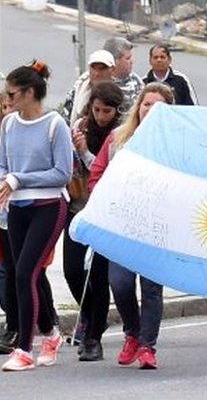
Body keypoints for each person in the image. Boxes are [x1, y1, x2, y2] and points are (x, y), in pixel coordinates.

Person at [89, 82, 175, 370]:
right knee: (120, 283)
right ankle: (132, 333)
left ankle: (148, 346)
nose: (151, 110)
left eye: (159, 106)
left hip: (156, 225)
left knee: (151, 288)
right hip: (122, 225)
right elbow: (96, 176)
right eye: (147, 104)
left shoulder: (175, 145)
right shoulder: (117, 140)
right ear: (138, 107)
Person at [0, 61, 73, 372]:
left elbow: (62, 173)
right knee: (27, 273)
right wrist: (6, 182)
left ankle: (24, 350)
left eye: (13, 94)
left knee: (24, 273)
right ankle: (52, 334)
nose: (8, 99)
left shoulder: (55, 124)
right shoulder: (8, 124)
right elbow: (3, 165)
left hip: (49, 206)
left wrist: (19, 179)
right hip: (17, 207)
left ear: (30, 93)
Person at [64, 82, 125, 362]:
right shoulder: (80, 125)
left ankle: (93, 338)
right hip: (78, 207)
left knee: (98, 277)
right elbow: (71, 167)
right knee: (72, 271)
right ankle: (89, 314)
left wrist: (86, 151)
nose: (101, 116)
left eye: (107, 111)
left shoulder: (119, 135)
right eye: (97, 109)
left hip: (105, 213)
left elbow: (108, 174)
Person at [60, 49, 116, 124]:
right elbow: (65, 119)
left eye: (102, 68)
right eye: (93, 68)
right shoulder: (77, 91)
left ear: (112, 70)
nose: (97, 73)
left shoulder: (120, 94)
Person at [103, 37, 145, 109]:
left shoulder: (136, 80)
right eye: (128, 58)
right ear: (114, 61)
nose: (132, 62)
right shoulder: (100, 82)